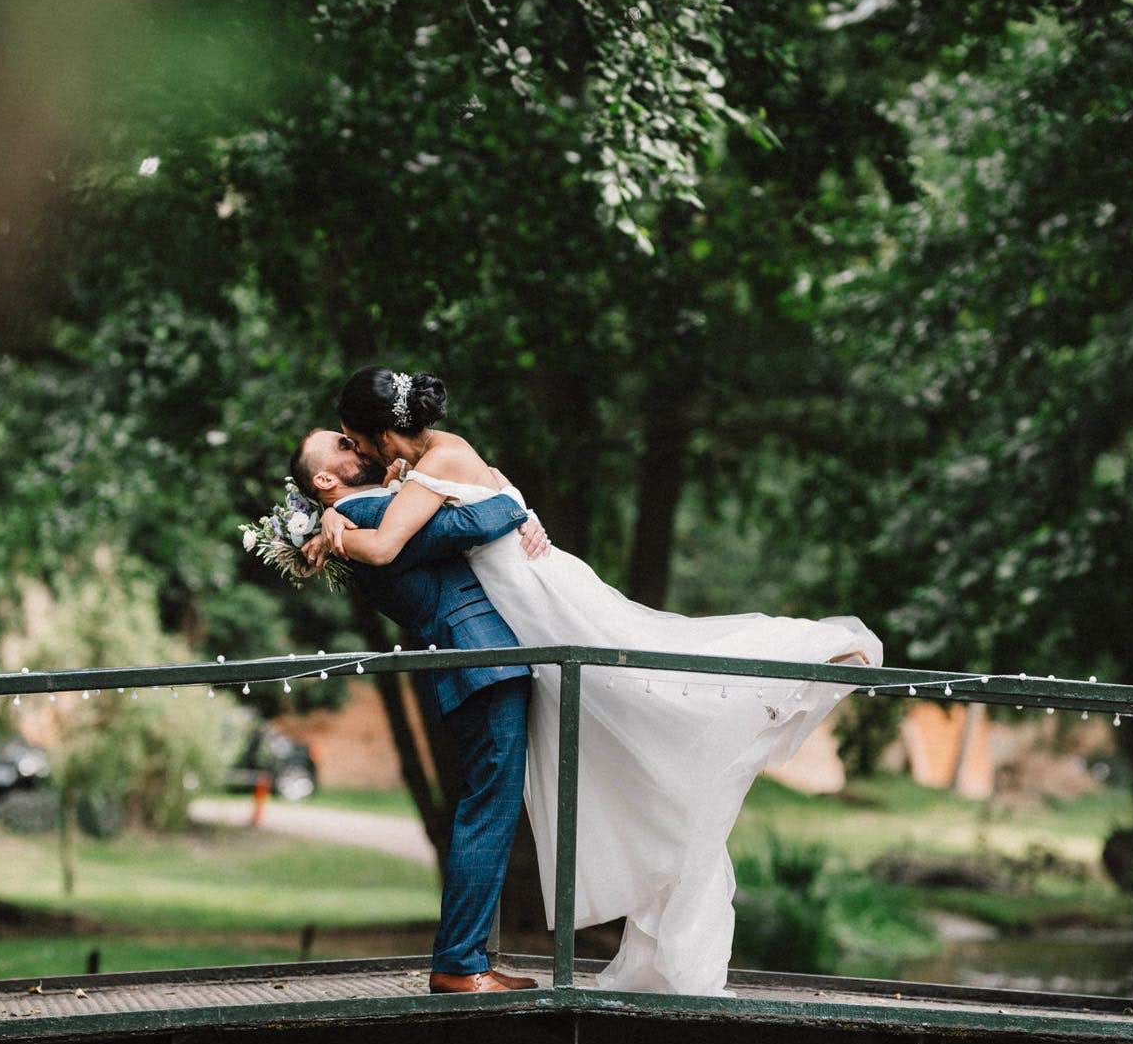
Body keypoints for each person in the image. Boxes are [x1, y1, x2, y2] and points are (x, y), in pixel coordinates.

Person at [317, 366, 884, 997]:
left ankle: (801, 657)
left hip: (538, 595)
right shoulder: (431, 462)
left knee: (644, 664)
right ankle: (474, 954)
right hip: (523, 600)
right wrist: (511, 508)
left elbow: (386, 546)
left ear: (379, 433)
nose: (358, 453)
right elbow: (490, 497)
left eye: (355, 439)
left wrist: (335, 526)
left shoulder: (439, 461)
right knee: (625, 687)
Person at [291, 427, 548, 994]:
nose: (357, 444)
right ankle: (459, 966)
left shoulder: (361, 515)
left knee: (487, 809)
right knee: (488, 811)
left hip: (479, 664)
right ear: (325, 481)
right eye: (341, 444)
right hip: (483, 663)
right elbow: (476, 520)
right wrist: (511, 501)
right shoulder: (370, 515)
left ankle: (467, 956)